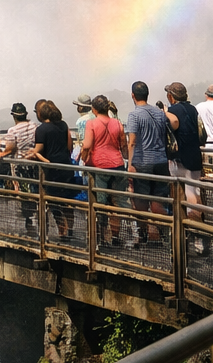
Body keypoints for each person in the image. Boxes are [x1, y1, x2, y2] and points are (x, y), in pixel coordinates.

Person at [124, 81, 171, 245]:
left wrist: (130, 164)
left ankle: (143, 234)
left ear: (133, 95)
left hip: (143, 163)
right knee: (158, 202)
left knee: (141, 202)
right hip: (161, 161)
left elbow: (132, 142)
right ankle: (168, 233)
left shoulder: (134, 115)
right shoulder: (159, 113)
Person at [81, 94, 128, 243]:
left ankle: (100, 237)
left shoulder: (91, 124)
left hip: (99, 167)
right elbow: (123, 146)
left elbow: (87, 145)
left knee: (99, 203)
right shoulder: (118, 123)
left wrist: (83, 158)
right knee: (117, 202)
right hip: (118, 165)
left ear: (94, 109)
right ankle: (115, 237)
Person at [163, 82, 206, 241]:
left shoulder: (172, 111)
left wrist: (165, 112)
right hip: (195, 157)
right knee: (194, 192)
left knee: (181, 196)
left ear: (171, 96)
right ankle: (198, 232)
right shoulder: (193, 109)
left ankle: (189, 232)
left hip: (179, 160)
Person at [29, 100, 75, 238]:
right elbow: (69, 146)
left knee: (54, 202)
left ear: (41, 113)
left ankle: (62, 231)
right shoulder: (63, 125)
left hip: (51, 170)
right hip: (66, 166)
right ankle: (70, 229)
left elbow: (38, 150)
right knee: (67, 200)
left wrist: (33, 154)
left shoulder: (42, 129)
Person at [0, 101, 38, 230]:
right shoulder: (34, 126)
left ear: (14, 116)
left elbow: (10, 149)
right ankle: (38, 217)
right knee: (34, 188)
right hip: (34, 162)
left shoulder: (12, 130)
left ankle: (29, 221)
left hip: (20, 165)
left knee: (24, 192)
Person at [72, 93, 96, 163]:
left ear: (81, 107)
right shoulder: (95, 117)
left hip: (87, 155)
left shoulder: (81, 121)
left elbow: (83, 141)